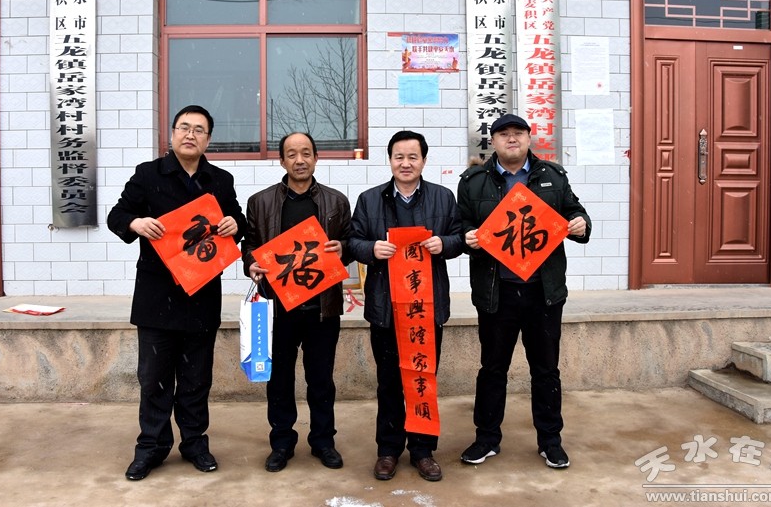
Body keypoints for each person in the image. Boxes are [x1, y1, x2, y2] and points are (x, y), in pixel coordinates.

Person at [107, 105, 247, 481]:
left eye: (199, 130)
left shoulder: (220, 180)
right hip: (157, 295)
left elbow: (238, 220)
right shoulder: (148, 174)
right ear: (172, 134)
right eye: (184, 127)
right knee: (153, 379)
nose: (190, 134)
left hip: (202, 294)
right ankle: (151, 447)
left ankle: (194, 444)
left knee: (196, 379)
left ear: (208, 140)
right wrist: (136, 223)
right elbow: (116, 216)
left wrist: (235, 224)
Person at [456, 113, 591, 470]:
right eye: (504, 134)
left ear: (530, 139)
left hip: (543, 292)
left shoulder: (553, 176)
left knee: (546, 370)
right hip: (496, 292)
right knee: (492, 369)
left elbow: (575, 212)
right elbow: (461, 225)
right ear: (493, 142)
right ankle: (486, 438)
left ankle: (550, 441)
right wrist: (468, 238)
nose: (511, 139)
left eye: (518, 133)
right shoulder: (473, 181)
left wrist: (582, 223)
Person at [348, 130, 463, 483]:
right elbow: (352, 241)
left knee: (423, 379)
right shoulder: (369, 200)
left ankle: (423, 451)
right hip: (386, 308)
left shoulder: (443, 198)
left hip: (426, 309)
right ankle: (388, 450)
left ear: (424, 161)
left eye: (413, 157)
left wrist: (444, 243)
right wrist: (371, 249)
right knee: (388, 383)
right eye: (399, 157)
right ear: (390, 160)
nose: (406, 163)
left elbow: (461, 237)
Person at [242, 132, 353, 473]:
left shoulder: (336, 202)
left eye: (306, 153)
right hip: (278, 308)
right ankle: (282, 443)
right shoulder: (260, 202)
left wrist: (343, 249)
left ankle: (323, 441)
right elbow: (249, 245)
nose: (299, 160)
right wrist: (251, 263)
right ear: (282, 161)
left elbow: (350, 242)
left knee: (321, 379)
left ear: (316, 158)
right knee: (279, 380)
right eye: (292, 154)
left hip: (322, 308)